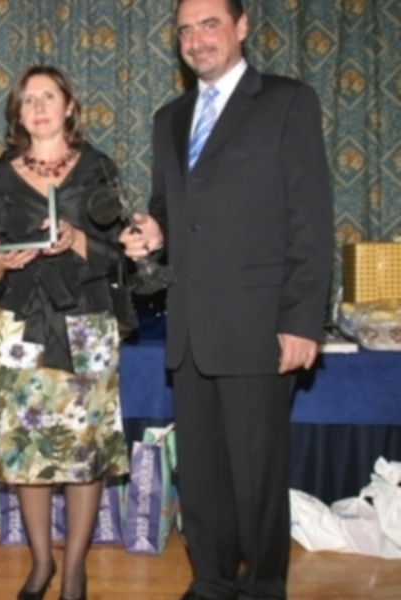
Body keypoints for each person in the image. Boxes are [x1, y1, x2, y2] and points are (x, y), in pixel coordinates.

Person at [120, 1, 333, 599]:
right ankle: (210, 581)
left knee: (256, 476)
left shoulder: (288, 102)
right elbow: (170, 210)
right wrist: (152, 231)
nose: (197, 40)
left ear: (241, 27)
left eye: (209, 24)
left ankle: (264, 588)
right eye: (185, 30)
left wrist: (302, 321)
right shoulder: (170, 117)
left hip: (259, 325)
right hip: (190, 327)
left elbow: (310, 220)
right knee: (204, 477)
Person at [0, 65, 130, 600]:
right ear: (18, 114)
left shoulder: (99, 169)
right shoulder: (0, 176)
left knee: (84, 453)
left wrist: (78, 240)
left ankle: (77, 569)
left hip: (86, 327)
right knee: (27, 452)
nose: (38, 105)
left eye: (49, 95)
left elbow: (124, 259)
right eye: (27, 99)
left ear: (69, 106)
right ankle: (41, 564)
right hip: (20, 329)